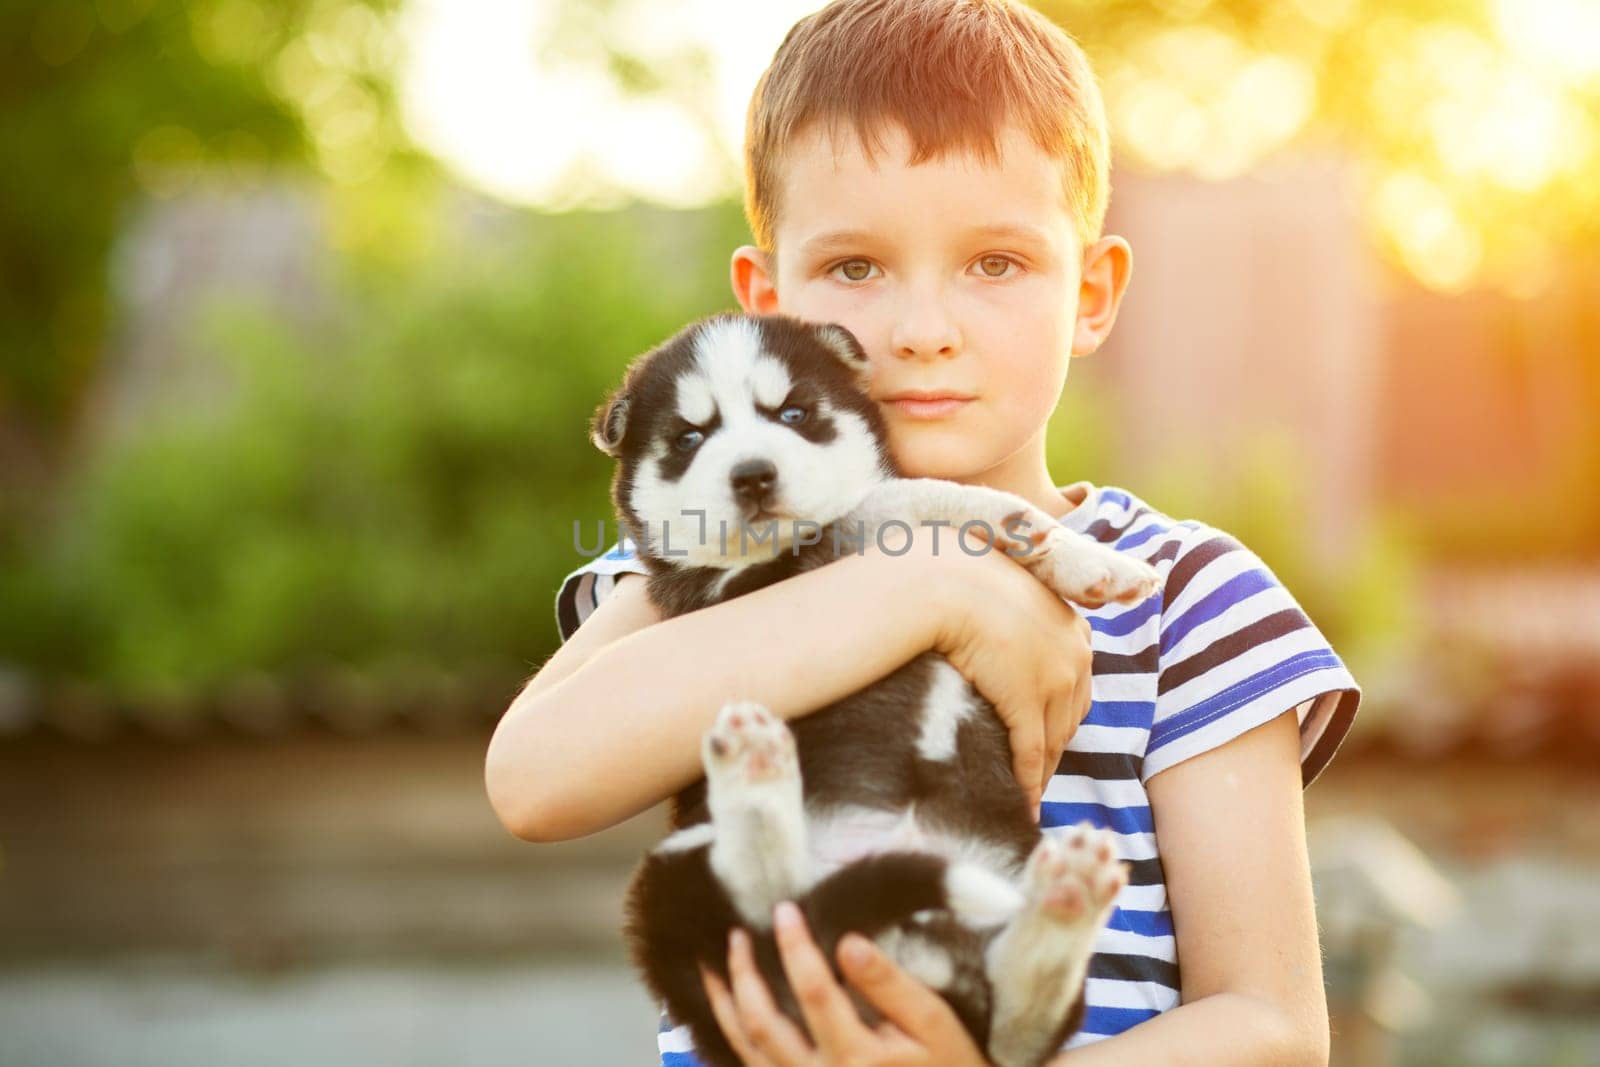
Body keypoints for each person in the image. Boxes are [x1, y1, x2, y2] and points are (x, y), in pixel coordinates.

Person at [486, 0, 1361, 1063]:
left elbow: (1273, 1027)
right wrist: (926, 584)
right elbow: (532, 779)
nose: (922, 331)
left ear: (1090, 294)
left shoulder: (1183, 597)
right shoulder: (715, 548)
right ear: (770, 308)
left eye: (996, 263)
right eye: (855, 267)